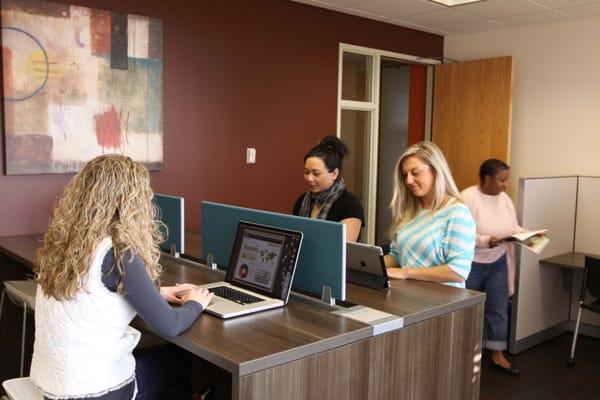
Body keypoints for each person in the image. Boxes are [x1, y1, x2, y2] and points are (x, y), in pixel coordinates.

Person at [30, 155, 214, 400]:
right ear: (131, 202)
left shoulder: (63, 245)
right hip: (93, 393)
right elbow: (169, 325)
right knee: (176, 359)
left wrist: (156, 292)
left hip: (53, 387)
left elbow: (88, 293)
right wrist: (196, 303)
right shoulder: (117, 253)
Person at [461, 158, 524, 376]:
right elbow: (462, 234)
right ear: (487, 179)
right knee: (467, 309)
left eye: (506, 180)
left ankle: (497, 354)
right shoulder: (467, 197)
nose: (505, 185)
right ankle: (464, 353)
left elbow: (512, 225)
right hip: (472, 262)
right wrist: (486, 240)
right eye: (501, 180)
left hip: (498, 261)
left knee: (498, 308)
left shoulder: (504, 199)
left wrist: (525, 235)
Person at [384, 141, 475, 288]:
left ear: (436, 170)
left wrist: (406, 272)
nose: (408, 181)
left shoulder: (457, 213)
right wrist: (368, 264)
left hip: (441, 303)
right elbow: (396, 256)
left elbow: (458, 272)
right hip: (408, 297)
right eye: (405, 175)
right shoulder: (409, 212)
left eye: (415, 173)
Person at [292, 136, 364, 242]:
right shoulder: (301, 201)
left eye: (316, 173)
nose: (309, 178)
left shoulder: (350, 204)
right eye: (306, 172)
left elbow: (343, 249)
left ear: (334, 173)